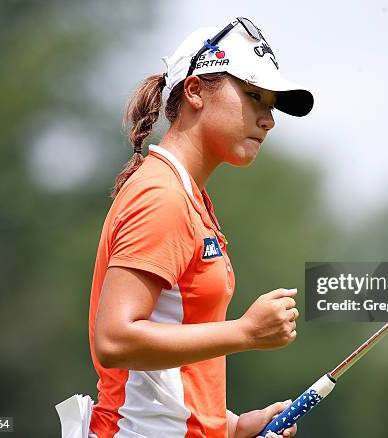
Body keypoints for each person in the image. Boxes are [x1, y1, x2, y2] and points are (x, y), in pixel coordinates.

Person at [87, 17, 313, 438]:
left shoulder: (187, 198)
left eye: (271, 104)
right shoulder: (162, 196)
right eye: (253, 96)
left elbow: (169, 370)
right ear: (194, 92)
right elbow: (115, 340)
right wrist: (245, 332)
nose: (269, 119)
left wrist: (233, 427)